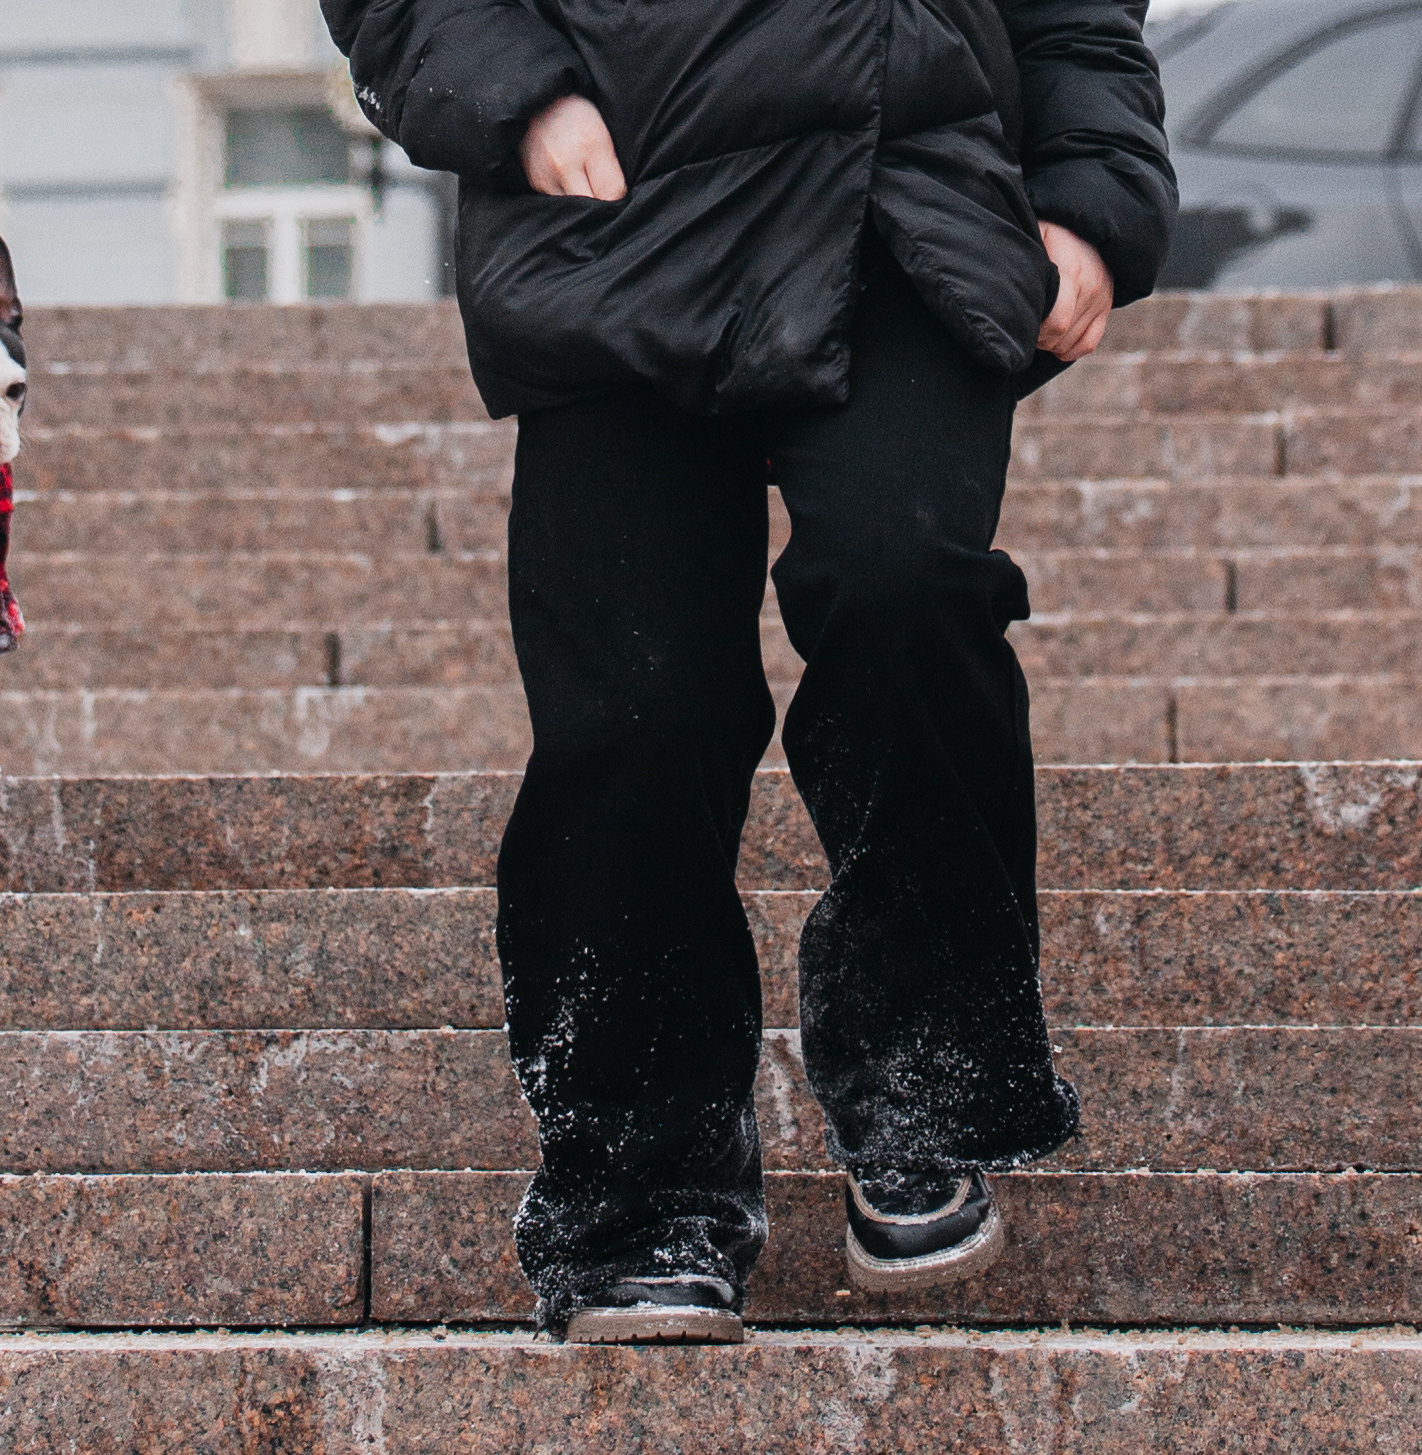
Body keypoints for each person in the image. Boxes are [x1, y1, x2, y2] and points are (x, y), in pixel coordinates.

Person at [322, 0, 1176, 1342]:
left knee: (906, 590)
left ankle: (927, 1086)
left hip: (905, 207)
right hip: (616, 208)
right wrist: (518, 93)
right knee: (634, 712)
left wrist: (1091, 198)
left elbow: (1076, 16)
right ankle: (639, 1187)